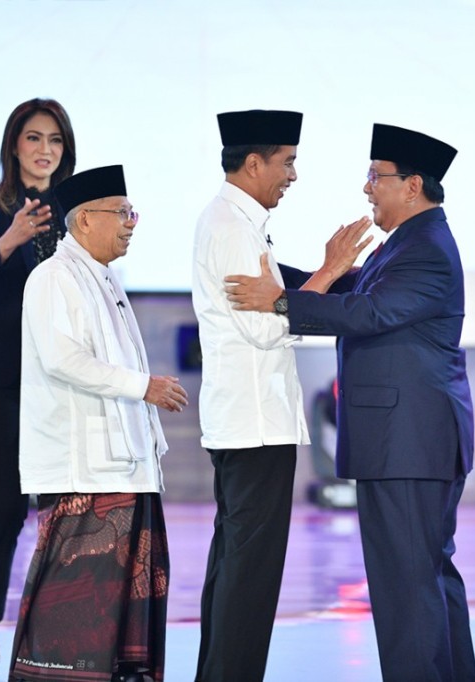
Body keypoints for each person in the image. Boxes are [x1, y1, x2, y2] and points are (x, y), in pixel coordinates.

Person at [225, 123, 475, 681]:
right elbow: (354, 291)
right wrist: (286, 277)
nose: (368, 189)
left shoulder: (427, 250)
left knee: (406, 590)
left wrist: (285, 302)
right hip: (409, 444)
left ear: (412, 185)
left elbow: (369, 313)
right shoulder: (411, 243)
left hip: (408, 445)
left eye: (375, 177)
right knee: (427, 580)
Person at [191, 109, 371, 682]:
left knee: (237, 562)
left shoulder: (236, 221)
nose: (292, 175)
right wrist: (328, 271)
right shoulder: (230, 226)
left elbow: (270, 306)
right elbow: (267, 326)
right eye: (286, 162)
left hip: (249, 418)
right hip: (254, 423)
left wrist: (303, 286)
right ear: (253, 163)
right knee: (251, 569)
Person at [10, 165, 188, 682]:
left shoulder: (103, 277)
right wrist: (144, 386)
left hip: (122, 467)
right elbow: (63, 359)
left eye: (134, 213)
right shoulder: (52, 278)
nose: (132, 223)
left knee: (126, 610)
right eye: (123, 213)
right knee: (72, 613)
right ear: (85, 220)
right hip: (81, 472)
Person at [0, 97, 75, 681]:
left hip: (60, 381)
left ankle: (49, 627)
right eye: (34, 138)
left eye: (54, 140)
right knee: (4, 505)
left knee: (57, 507)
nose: (44, 150)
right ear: (15, 146)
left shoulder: (77, 209)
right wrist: (10, 238)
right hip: (1, 377)